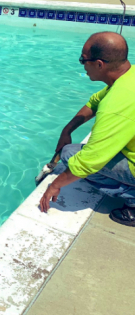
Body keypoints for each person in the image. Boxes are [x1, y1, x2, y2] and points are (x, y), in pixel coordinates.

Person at [39, 32, 135, 226]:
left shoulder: (116, 106)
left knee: (70, 156)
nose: (82, 64)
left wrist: (55, 185)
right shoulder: (127, 78)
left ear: (99, 64)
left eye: (82, 59)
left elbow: (90, 161)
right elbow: (94, 101)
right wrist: (67, 130)